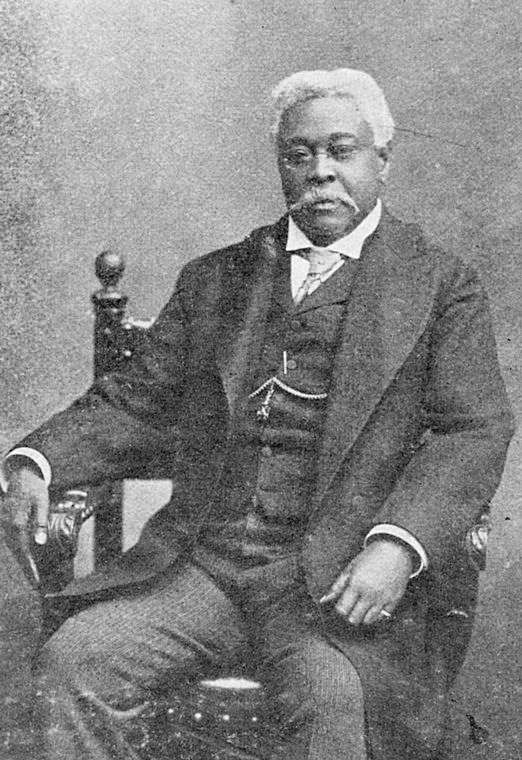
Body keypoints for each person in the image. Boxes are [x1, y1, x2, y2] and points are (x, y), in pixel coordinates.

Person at [1, 68, 514, 760]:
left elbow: (472, 429)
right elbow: (136, 398)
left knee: (336, 706)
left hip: (334, 586)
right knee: (76, 666)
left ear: (381, 161)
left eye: (342, 151)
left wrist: (396, 544)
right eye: (299, 155)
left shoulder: (439, 284)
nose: (320, 173)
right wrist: (38, 461)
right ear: (281, 165)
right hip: (202, 570)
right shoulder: (220, 277)